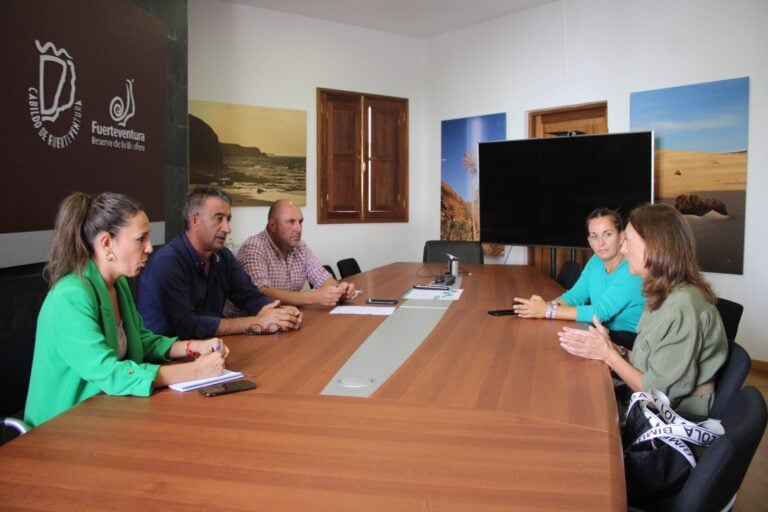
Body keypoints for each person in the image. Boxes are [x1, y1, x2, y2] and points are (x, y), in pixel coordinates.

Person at [24, 192, 230, 428]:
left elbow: (140, 340)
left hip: (108, 414)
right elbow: (109, 372)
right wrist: (195, 371)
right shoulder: (70, 296)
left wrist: (194, 347)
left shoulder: (118, 283)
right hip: (61, 427)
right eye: (140, 239)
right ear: (106, 243)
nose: (150, 248)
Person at [557, 203, 728, 417]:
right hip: (644, 404)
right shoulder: (663, 293)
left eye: (628, 241)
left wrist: (608, 355)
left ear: (655, 246)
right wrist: (614, 349)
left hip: (672, 419)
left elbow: (657, 397)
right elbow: (651, 361)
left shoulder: (682, 307)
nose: (623, 249)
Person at [137, 187, 302, 339]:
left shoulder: (223, 256)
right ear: (195, 220)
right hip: (167, 356)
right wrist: (255, 322)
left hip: (209, 348)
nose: (227, 228)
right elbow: (186, 325)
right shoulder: (167, 263)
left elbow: (248, 295)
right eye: (219, 218)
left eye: (228, 219)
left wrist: (279, 312)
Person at [513, 208, 645, 348]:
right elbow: (574, 297)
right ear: (589, 241)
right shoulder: (595, 261)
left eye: (607, 234)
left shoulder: (632, 269)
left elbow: (599, 313)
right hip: (601, 331)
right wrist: (541, 307)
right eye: (594, 236)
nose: (600, 242)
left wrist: (547, 311)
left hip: (629, 343)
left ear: (621, 237)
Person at [233, 199, 356, 307]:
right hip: (250, 322)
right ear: (272, 225)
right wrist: (313, 297)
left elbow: (322, 277)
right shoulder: (254, 247)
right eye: (291, 222)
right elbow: (261, 292)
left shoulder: (300, 246)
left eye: (300, 222)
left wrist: (340, 290)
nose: (299, 228)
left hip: (283, 317)